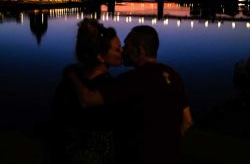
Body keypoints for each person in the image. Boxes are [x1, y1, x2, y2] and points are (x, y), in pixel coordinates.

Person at [71, 25, 193, 164]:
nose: (123, 50)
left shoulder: (134, 79)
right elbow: (188, 121)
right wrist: (168, 145)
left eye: (127, 45)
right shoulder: (173, 75)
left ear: (140, 50)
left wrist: (71, 74)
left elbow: (88, 99)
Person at [48, 18, 123, 164]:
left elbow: (56, 116)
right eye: (117, 49)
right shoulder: (110, 87)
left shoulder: (70, 81)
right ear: (101, 57)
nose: (122, 52)